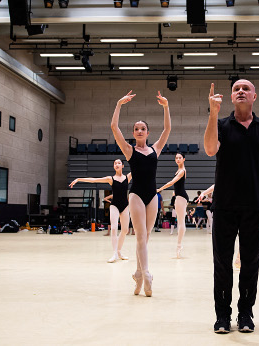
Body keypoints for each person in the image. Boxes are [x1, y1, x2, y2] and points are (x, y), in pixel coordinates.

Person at [204, 80, 259, 334]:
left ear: (254, 96)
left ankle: (245, 313)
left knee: (251, 263)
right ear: (231, 97)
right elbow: (209, 149)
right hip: (225, 206)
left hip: (255, 205)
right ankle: (222, 316)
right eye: (236, 88)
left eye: (246, 88)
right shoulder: (220, 124)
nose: (240, 91)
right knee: (222, 263)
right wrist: (213, 113)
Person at [111, 90, 171, 297]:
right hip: (136, 195)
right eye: (136, 129)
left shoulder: (156, 149)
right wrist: (119, 104)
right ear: (133, 132)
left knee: (146, 239)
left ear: (147, 132)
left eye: (142, 128)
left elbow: (167, 129)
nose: (139, 131)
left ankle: (137, 272)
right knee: (140, 236)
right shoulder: (129, 151)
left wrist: (166, 107)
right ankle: (146, 273)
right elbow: (114, 127)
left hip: (152, 196)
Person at [69, 159, 131, 263]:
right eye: (115, 163)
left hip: (125, 206)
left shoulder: (127, 177)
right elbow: (94, 180)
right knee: (114, 228)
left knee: (125, 230)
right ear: (113, 166)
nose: (117, 164)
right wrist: (79, 179)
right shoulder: (110, 179)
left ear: (123, 166)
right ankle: (114, 253)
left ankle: (119, 251)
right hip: (114, 205)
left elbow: (139, 166)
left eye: (119, 163)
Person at [157, 152, 188, 258]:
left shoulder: (182, 171)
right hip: (178, 197)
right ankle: (179, 246)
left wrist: (159, 189)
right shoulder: (178, 170)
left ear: (184, 159)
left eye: (180, 157)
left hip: (182, 197)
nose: (178, 159)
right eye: (176, 158)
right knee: (179, 222)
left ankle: (179, 246)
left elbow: (171, 183)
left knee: (181, 222)